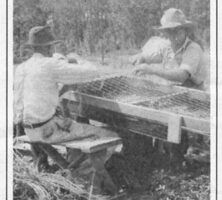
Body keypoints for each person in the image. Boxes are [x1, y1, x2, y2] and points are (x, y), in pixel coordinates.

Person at [14, 25, 120, 194]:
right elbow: (92, 72)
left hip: (29, 130)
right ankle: (79, 175)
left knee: (72, 125)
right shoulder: (49, 65)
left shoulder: (22, 68)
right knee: (111, 136)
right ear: (49, 47)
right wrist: (77, 59)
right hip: (48, 130)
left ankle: (73, 166)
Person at [133, 8, 207, 91]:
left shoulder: (193, 49)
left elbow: (182, 75)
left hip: (194, 95)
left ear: (185, 31)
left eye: (177, 30)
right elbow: (149, 56)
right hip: (173, 92)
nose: (173, 35)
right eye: (169, 31)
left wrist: (152, 70)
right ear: (165, 32)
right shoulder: (167, 46)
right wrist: (141, 57)